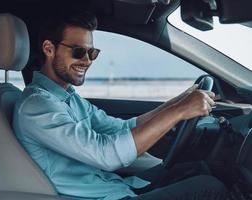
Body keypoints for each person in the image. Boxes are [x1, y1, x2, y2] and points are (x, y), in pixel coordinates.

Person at [13, 11, 227, 200]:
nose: (87, 61)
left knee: (196, 169)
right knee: (210, 188)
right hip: (101, 196)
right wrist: (178, 111)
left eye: (92, 53)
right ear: (49, 49)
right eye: (79, 52)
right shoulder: (37, 106)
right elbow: (105, 155)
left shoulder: (67, 96)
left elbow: (122, 128)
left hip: (112, 187)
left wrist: (178, 102)